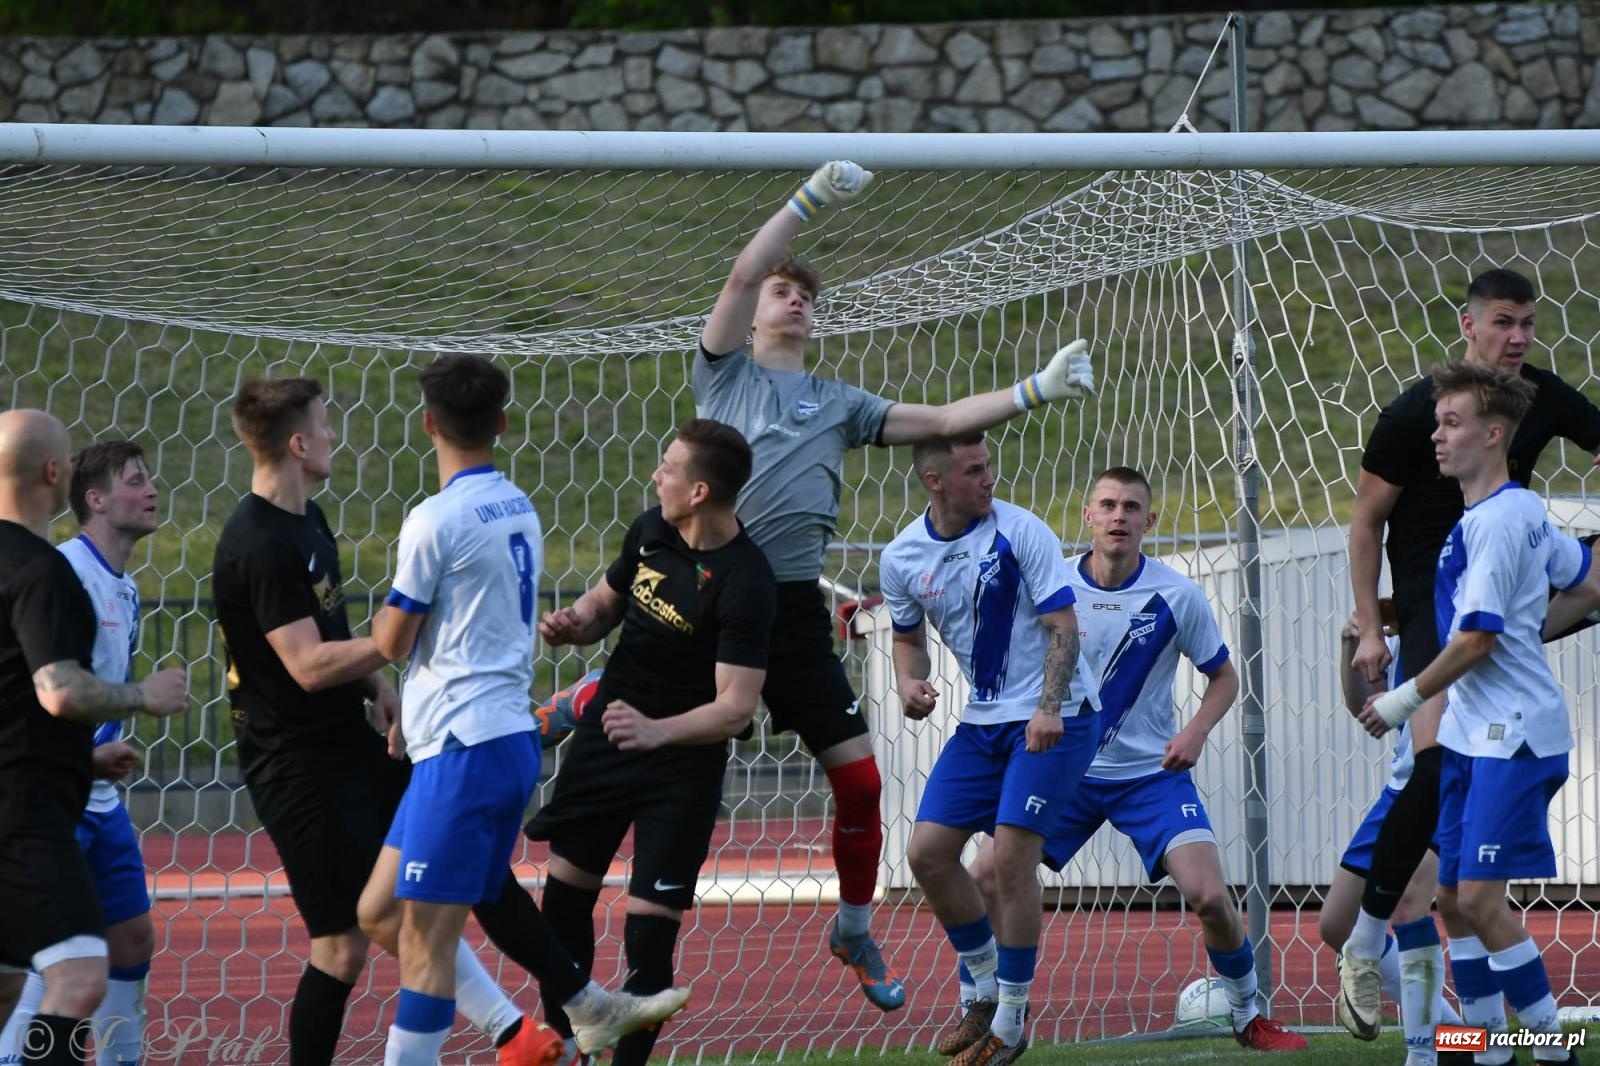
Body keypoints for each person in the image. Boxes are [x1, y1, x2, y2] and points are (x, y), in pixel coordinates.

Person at [694, 160, 1095, 1010]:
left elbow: (944, 422)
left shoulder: (839, 403)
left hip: (792, 607)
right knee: (672, 749)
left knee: (863, 784)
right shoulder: (723, 375)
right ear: (753, 311)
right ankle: (585, 701)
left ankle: (853, 926)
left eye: (806, 296)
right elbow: (738, 271)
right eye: (781, 293)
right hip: (717, 591)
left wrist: (1035, 390)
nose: (794, 302)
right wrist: (806, 201)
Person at [212, 378, 559, 1066]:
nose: (334, 435)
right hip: (295, 764)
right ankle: (519, 1029)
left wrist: (377, 684)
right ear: (298, 444)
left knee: (466, 865)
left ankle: (566, 1004)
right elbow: (308, 665)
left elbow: (330, 633)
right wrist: (396, 638)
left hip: (347, 740)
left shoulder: (308, 519)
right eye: (324, 424)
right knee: (343, 945)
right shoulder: (257, 542)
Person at [366, 357, 689, 1066]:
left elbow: (392, 641)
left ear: (428, 424)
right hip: (494, 737)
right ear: (504, 423)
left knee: (423, 939)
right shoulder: (517, 505)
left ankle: (525, 1031)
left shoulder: (433, 519)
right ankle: (582, 1004)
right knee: (380, 911)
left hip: (466, 746)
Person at [957, 466, 1306, 1054]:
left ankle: (1249, 1014)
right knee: (983, 877)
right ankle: (985, 1006)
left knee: (1210, 896)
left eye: (1131, 507)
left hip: (1149, 776)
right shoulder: (1050, 584)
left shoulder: (1177, 595)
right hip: (1063, 770)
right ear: (1088, 516)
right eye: (1108, 505)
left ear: (1150, 520)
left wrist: (1195, 731)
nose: (1119, 516)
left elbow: (1223, 677)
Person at [1357, 361, 1600, 1066]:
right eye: (1437, 422)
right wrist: (1528, 625)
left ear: (1494, 435)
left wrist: (1403, 698)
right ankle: (1490, 1053)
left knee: (1483, 903)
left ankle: (1552, 1053)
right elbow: (1585, 580)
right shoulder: (1508, 512)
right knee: (1455, 900)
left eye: (1452, 423)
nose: (1436, 435)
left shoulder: (1496, 522)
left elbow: (1477, 640)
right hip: (1470, 736)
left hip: (1512, 739)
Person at [526, 418, 776, 1066]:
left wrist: (656, 731)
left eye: (667, 467)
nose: (655, 475)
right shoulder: (650, 531)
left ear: (698, 491)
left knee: (649, 940)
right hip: (608, 740)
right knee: (562, 908)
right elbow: (605, 604)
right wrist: (574, 623)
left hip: (681, 767)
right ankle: (570, 1050)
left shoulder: (746, 579)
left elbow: (735, 709)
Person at [880, 435, 1101, 1066]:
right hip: (984, 722)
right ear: (935, 481)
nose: (989, 479)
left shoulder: (1021, 530)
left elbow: (1064, 628)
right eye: (974, 470)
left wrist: (1049, 707)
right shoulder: (901, 557)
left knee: (1009, 860)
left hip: (1060, 716)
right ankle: (981, 986)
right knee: (926, 853)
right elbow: (907, 639)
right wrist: (908, 681)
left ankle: (1010, 1016)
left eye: (988, 466)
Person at [0, 410, 186, 1066]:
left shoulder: (123, 587)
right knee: (67, 968)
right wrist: (141, 699)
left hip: (87, 791)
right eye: (135, 480)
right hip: (43, 798)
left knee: (128, 941)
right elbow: (51, 690)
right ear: (84, 492)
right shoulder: (57, 571)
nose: (152, 490)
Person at [1320, 605, 1466, 1065]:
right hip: (1402, 788)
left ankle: (1426, 1054)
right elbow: (1362, 706)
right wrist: (1351, 644)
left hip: (1451, 777)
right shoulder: (1406, 629)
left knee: (1411, 905)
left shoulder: (1461, 616)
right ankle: (1460, 1042)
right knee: (1337, 923)